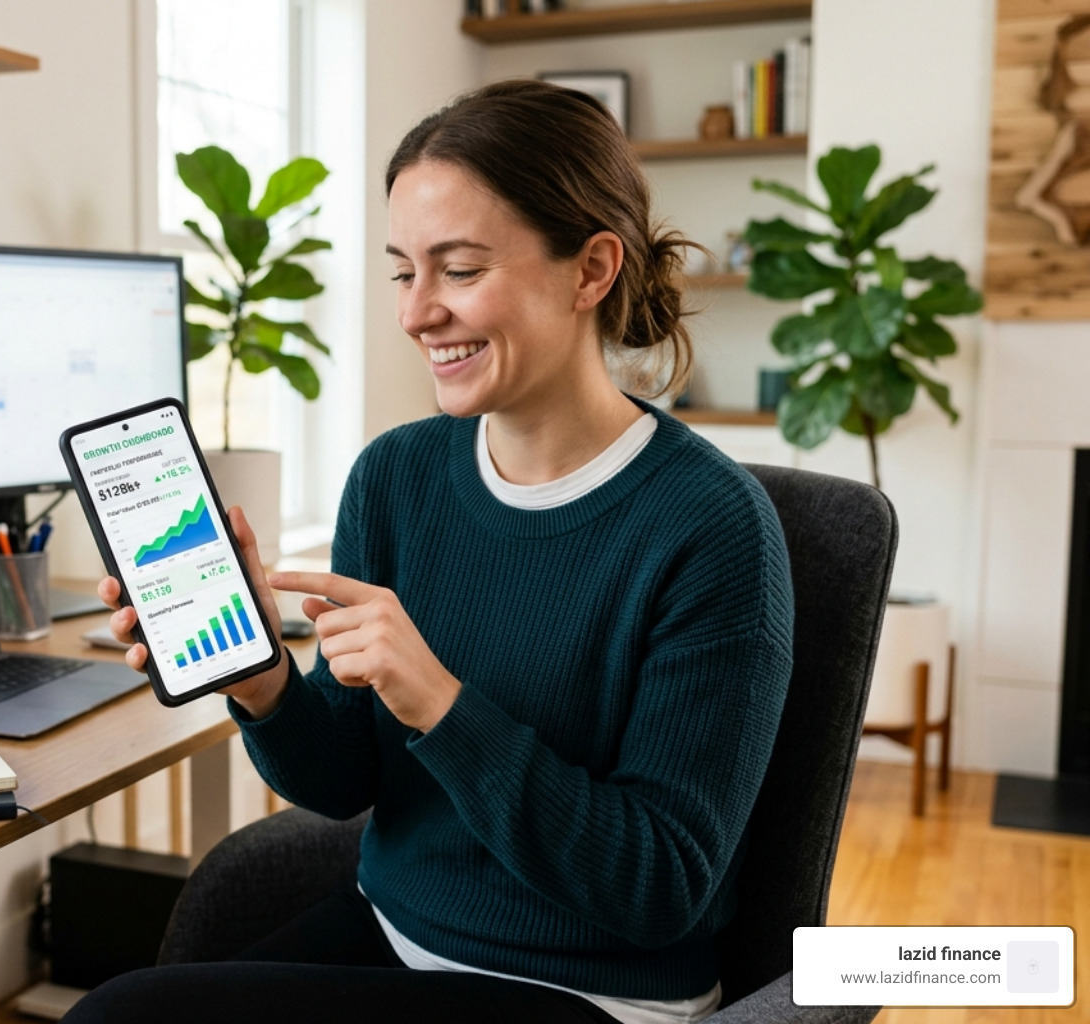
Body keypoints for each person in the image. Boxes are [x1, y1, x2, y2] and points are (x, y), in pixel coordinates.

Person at [69, 78, 793, 1024]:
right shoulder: (395, 479)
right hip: (392, 935)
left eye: (458, 269)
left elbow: (660, 887)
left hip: (588, 992)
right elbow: (344, 784)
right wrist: (262, 682)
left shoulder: (712, 528)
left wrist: (441, 702)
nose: (416, 314)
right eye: (404, 271)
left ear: (591, 270)